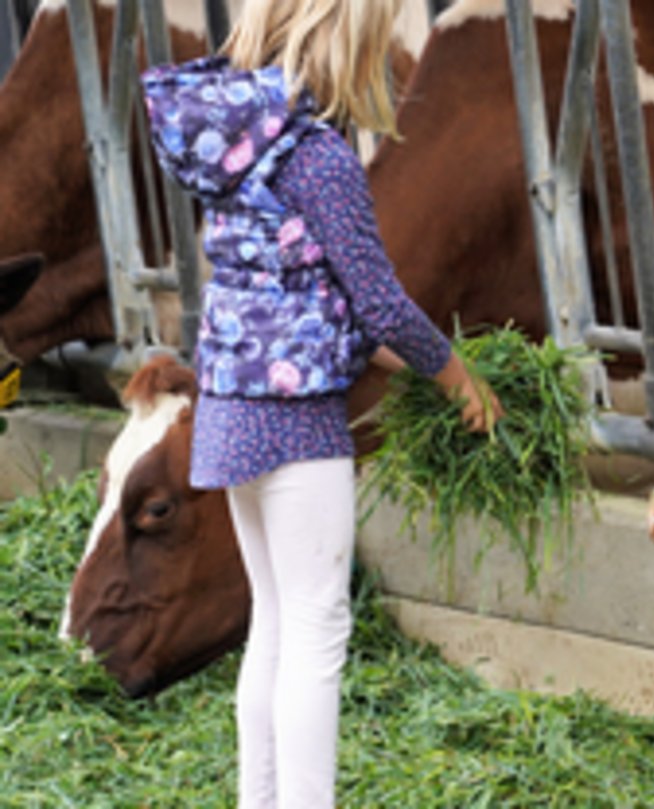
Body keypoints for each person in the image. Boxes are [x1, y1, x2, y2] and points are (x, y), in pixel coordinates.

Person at [142, 1, 502, 805]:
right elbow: (377, 300)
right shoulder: (317, 157)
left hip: (232, 411)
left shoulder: (233, 149)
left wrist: (406, 368)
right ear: (343, 37)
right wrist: (458, 377)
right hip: (295, 423)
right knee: (317, 629)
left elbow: (297, 293)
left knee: (274, 618)